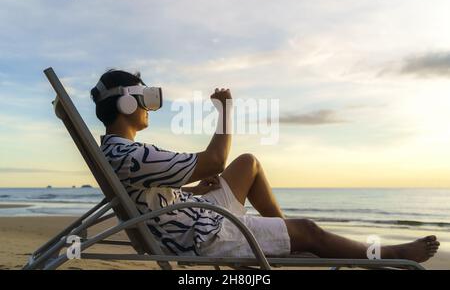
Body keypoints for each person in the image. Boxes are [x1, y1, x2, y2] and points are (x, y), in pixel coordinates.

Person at [91, 69, 440, 262]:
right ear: (125, 103)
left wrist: (190, 190)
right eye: (143, 100)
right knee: (309, 230)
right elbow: (214, 160)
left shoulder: (120, 152)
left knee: (248, 164)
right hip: (200, 235)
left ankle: (283, 233)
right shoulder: (130, 155)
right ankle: (388, 255)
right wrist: (226, 112)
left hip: (190, 214)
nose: (148, 109)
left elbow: (146, 195)